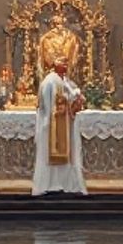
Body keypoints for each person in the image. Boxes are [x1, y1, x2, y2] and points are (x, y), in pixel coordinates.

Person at [32, 57, 88, 196]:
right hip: (52, 126)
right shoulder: (51, 82)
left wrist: (77, 98)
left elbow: (67, 97)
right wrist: (74, 97)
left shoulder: (60, 80)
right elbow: (57, 103)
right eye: (64, 64)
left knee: (62, 155)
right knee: (52, 155)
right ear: (56, 66)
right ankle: (53, 184)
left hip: (58, 125)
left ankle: (61, 183)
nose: (67, 67)